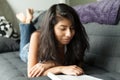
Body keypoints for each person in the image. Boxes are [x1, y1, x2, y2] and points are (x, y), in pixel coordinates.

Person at [16, 3, 89, 78]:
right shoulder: (36, 36)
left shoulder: (77, 38)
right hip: (27, 50)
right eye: (63, 29)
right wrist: (60, 68)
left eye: (72, 28)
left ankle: (28, 22)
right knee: (31, 36)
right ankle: (27, 21)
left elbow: (76, 67)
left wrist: (51, 64)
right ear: (51, 28)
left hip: (45, 37)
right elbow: (31, 74)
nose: (69, 34)